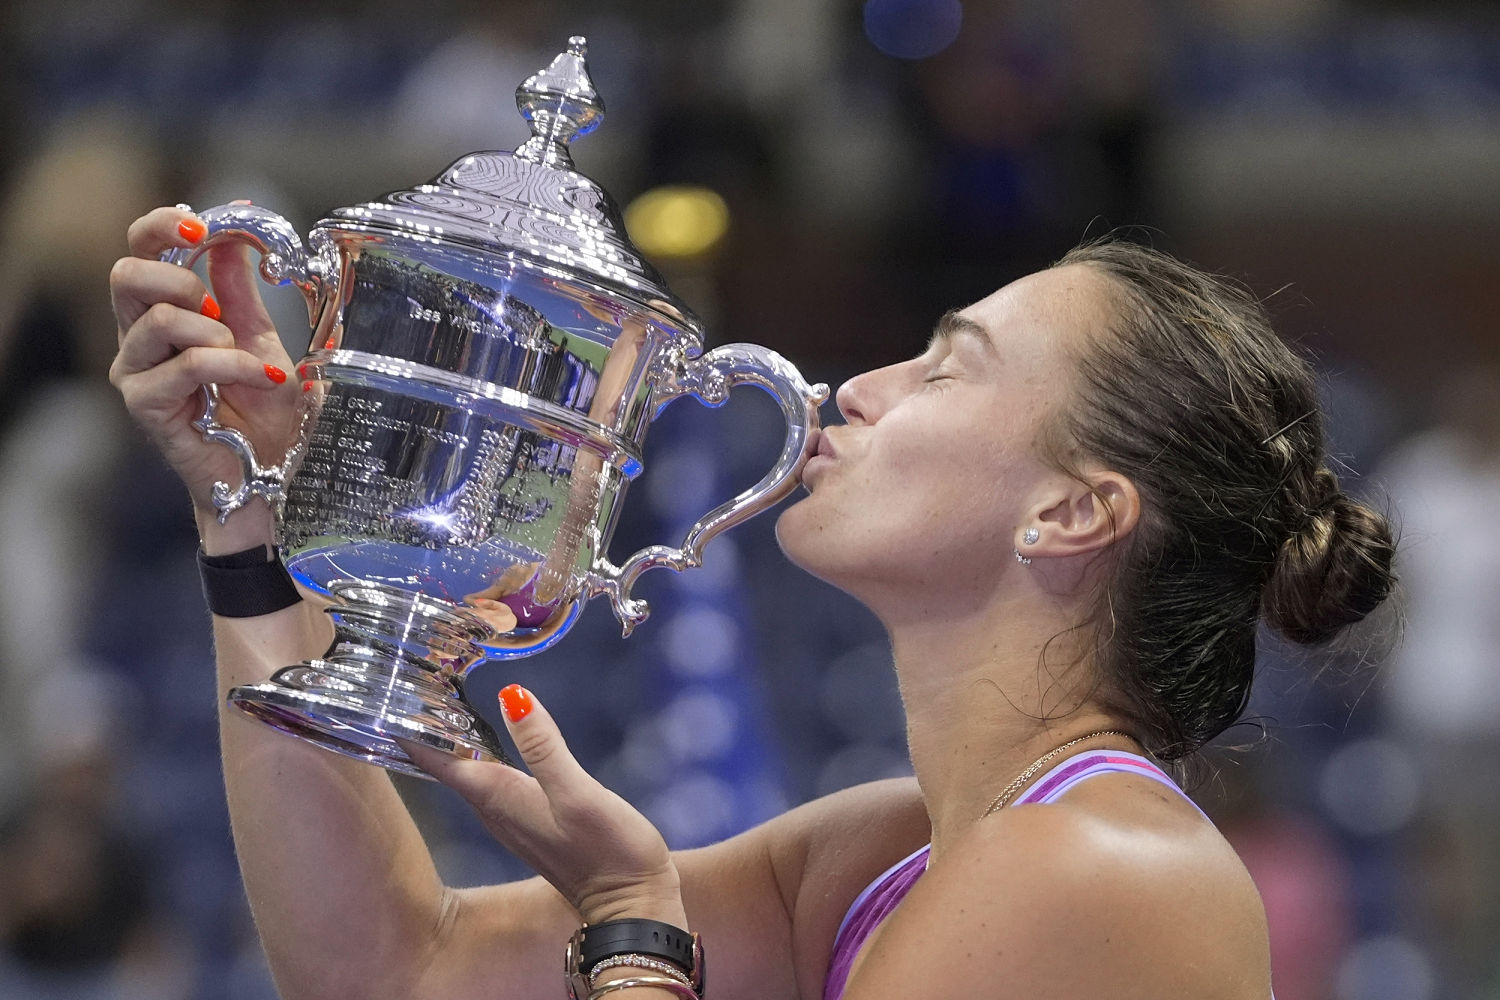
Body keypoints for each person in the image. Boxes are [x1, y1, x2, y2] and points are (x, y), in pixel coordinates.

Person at [108, 205, 1396, 1000]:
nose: (857, 390)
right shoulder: (894, 852)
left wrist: (636, 933)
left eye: (947, 371)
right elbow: (389, 972)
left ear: (1071, 514)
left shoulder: (1098, 871)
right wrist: (249, 509)